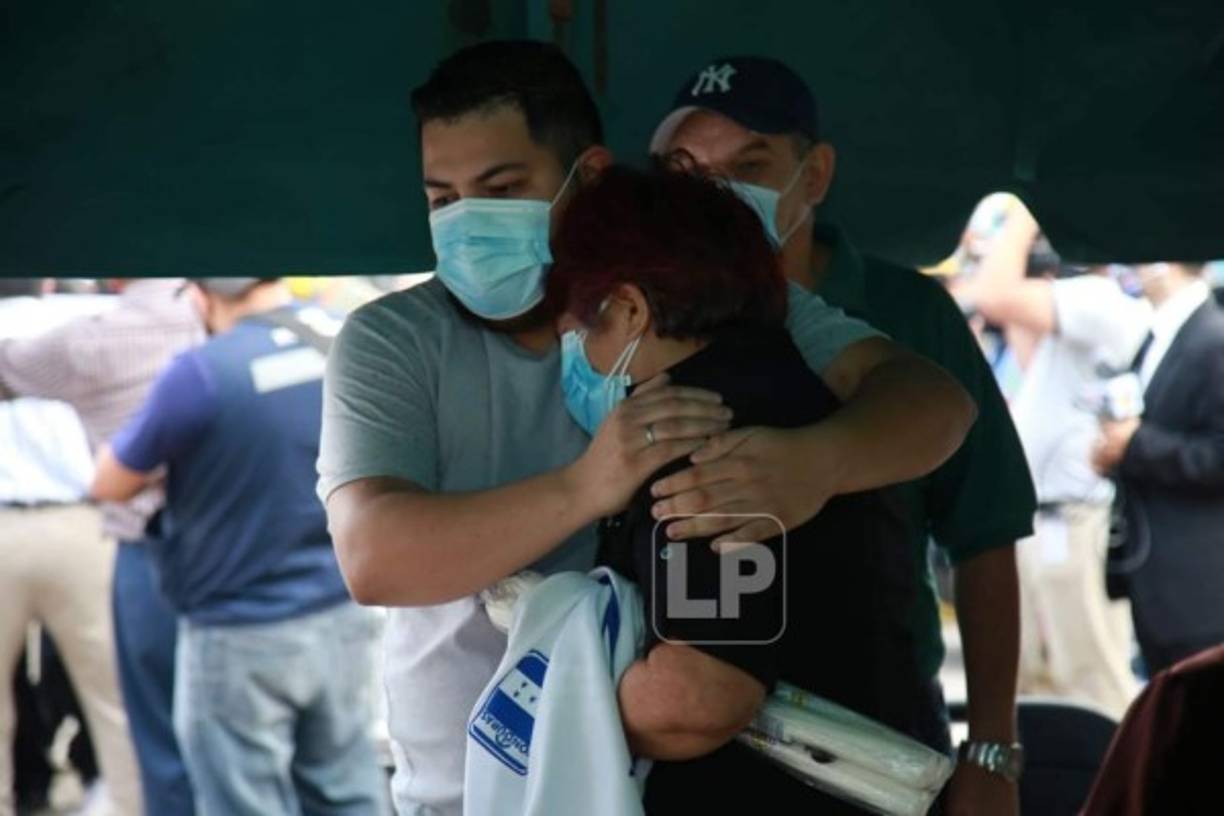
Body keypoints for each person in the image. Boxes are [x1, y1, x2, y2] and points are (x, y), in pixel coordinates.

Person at [319, 41, 974, 816]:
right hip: (468, 794)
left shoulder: (717, 303)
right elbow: (374, 558)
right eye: (443, 199)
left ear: (588, 176)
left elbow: (935, 404)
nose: (470, 222)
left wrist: (814, 463)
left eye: (501, 188)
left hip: (659, 787)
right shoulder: (393, 341)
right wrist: (583, 488)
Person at [652, 56, 1034, 812]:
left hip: (879, 742)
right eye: (686, 171)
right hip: (692, 733)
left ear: (814, 175)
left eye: (750, 164)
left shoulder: (908, 315)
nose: (715, 195)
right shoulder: (649, 315)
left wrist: (992, 750)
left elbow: (985, 535)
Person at [549, 163, 933, 813]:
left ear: (630, 308)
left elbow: (698, 696)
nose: (574, 353)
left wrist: (560, 706)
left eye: (578, 329)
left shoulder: (698, 432)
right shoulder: (792, 395)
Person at [91, 278, 387, 816]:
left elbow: (110, 483)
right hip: (340, 605)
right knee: (346, 789)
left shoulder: (202, 372)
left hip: (237, 627)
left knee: (241, 801)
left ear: (203, 296)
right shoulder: (342, 336)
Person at [0, 277, 203, 815]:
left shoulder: (71, 340)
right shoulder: (104, 321)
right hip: (86, 526)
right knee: (118, 704)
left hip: (19, 523)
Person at [963, 208, 1149, 718]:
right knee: (1028, 688)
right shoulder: (1050, 335)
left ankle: (1112, 796)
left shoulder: (1099, 297)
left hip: (1076, 520)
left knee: (1092, 686)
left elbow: (993, 293)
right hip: (1036, 523)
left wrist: (1021, 209)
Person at [1092, 262, 1224, 673]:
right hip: (1156, 577)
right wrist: (1115, 450)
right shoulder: (1158, 336)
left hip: (1200, 586)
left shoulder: (1213, 338)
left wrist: (1136, 445)